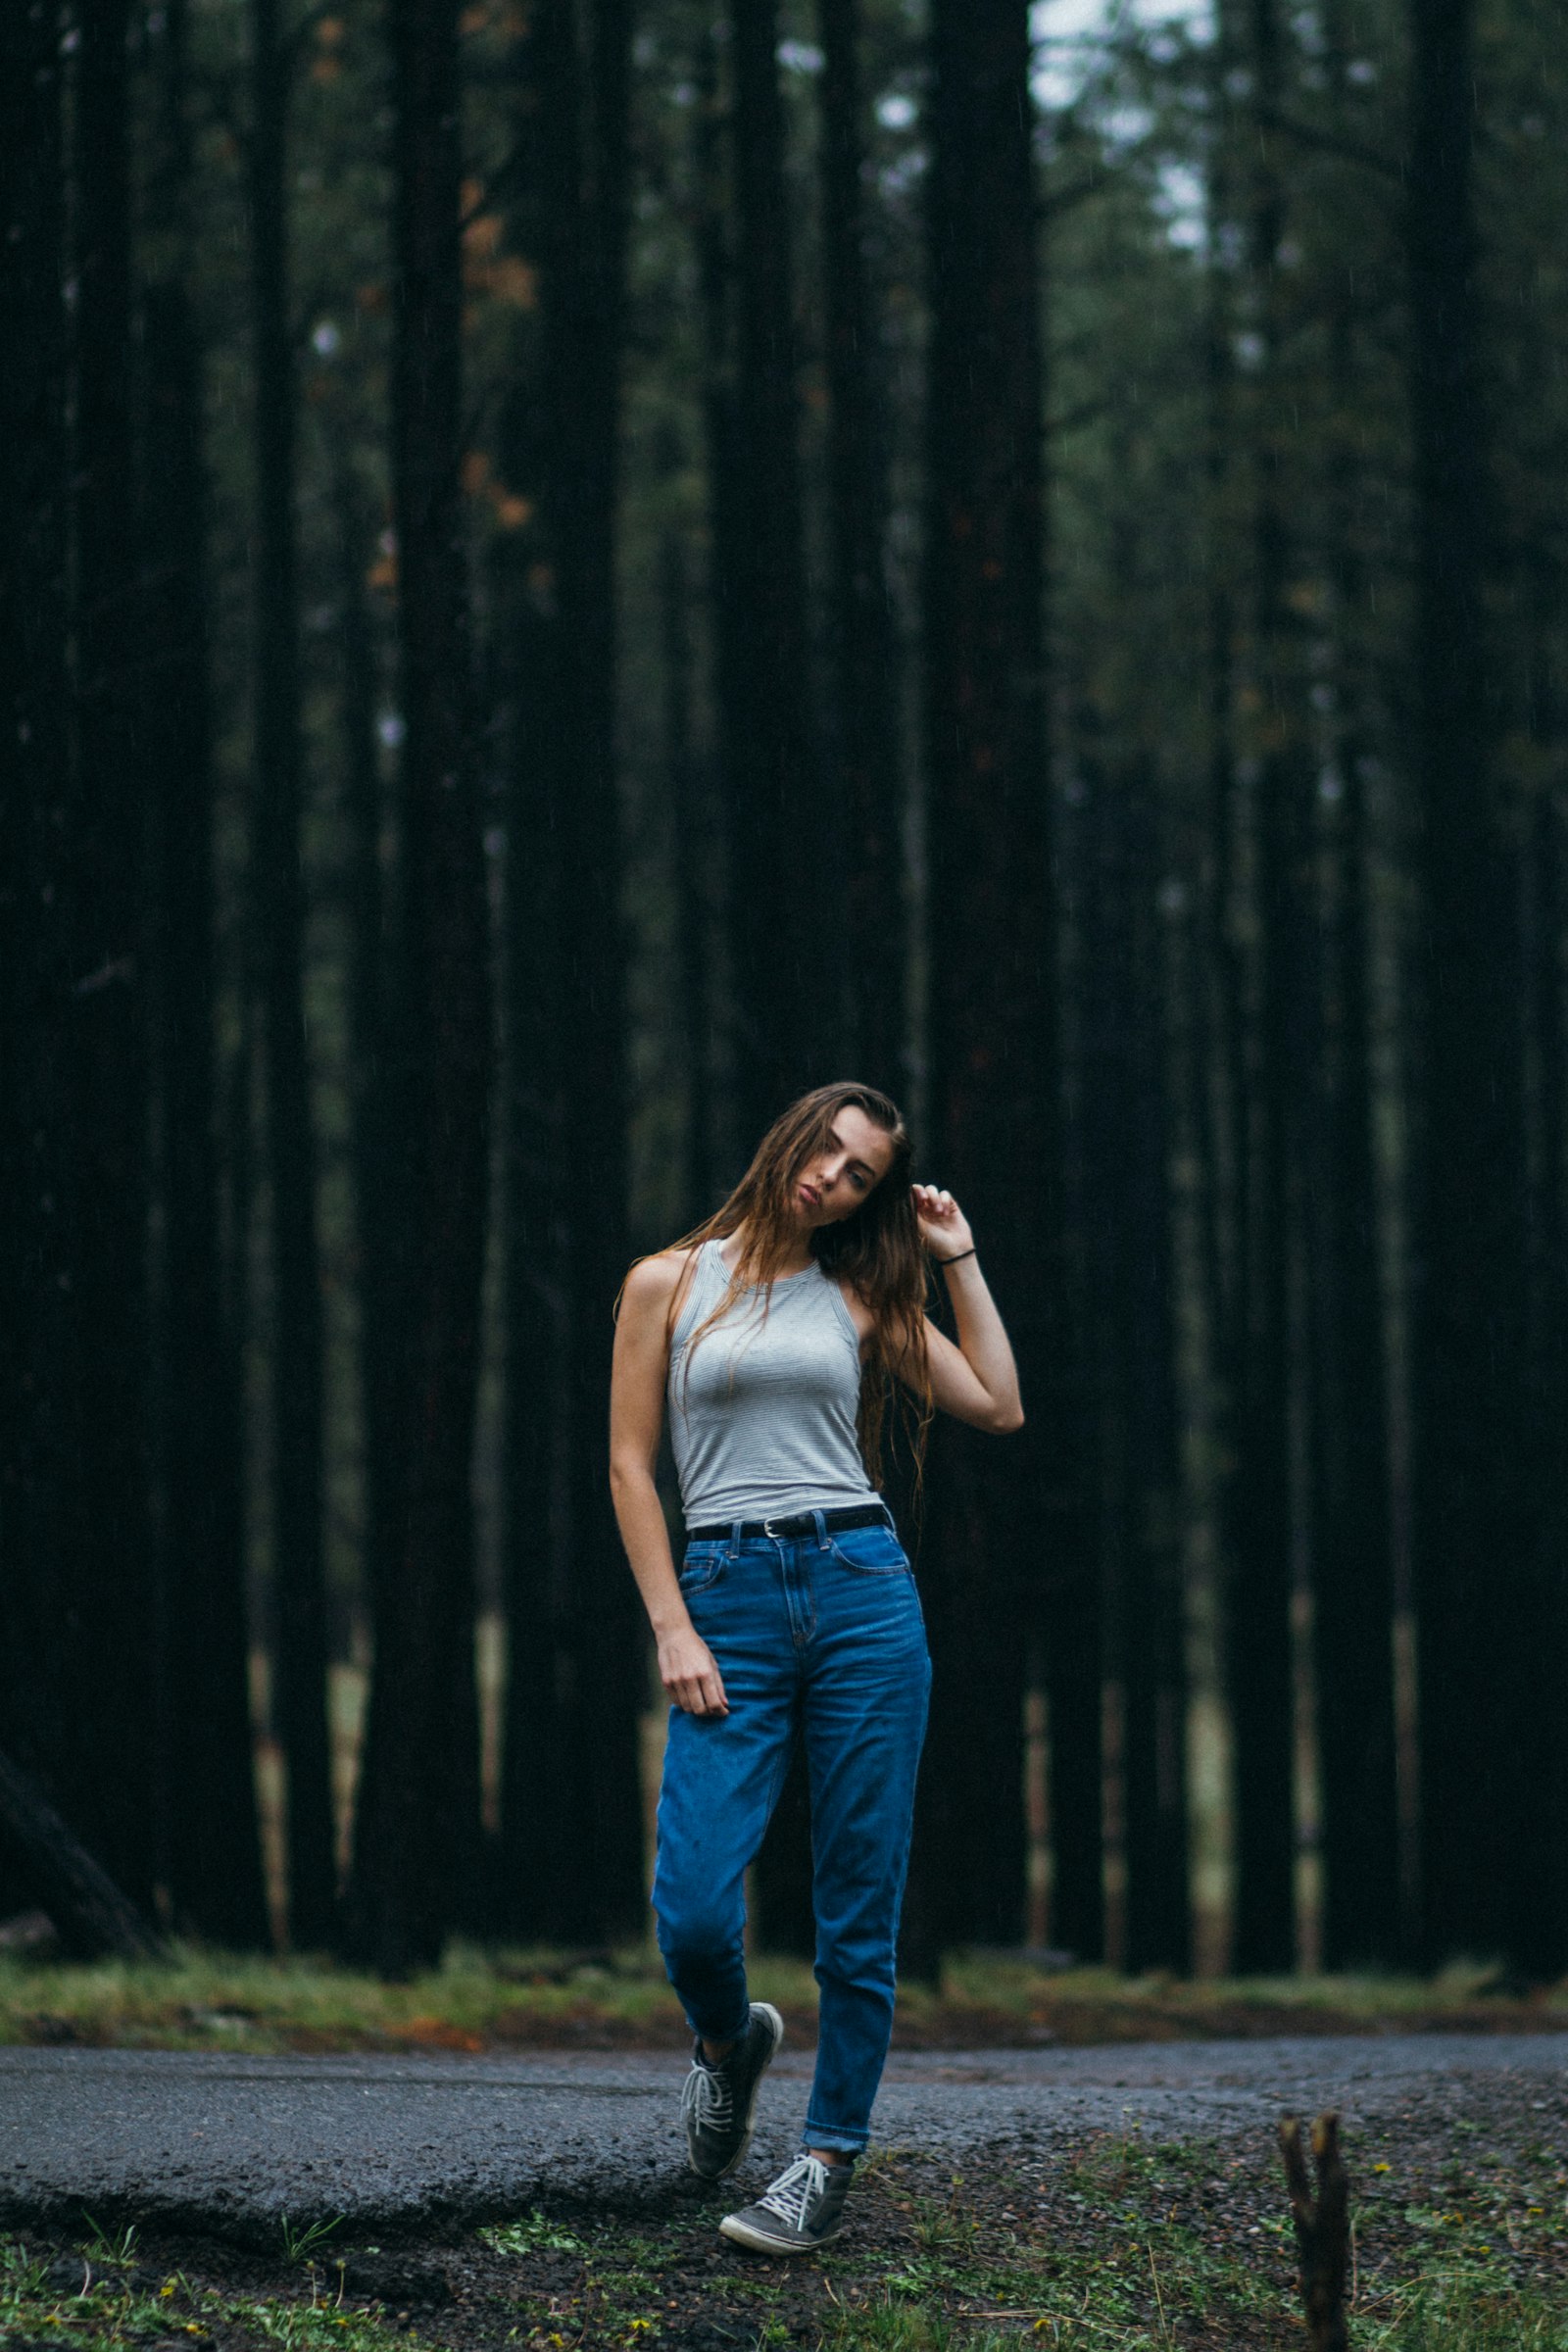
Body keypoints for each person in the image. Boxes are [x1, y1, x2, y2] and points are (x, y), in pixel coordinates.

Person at [610, 1082, 1023, 2254]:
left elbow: (996, 1405)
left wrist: (959, 1258)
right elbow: (633, 1469)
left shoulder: (862, 1291)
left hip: (859, 1594)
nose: (830, 1179)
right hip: (727, 1602)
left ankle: (824, 2158)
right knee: (691, 1906)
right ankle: (726, 2042)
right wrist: (671, 1626)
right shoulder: (665, 1283)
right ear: (789, 1133)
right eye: (826, 1151)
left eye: (858, 1176)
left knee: (856, 1908)